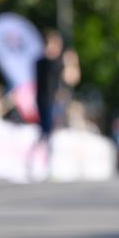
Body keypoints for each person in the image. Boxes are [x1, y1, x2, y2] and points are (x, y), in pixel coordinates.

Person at [32, 29, 80, 174]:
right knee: (46, 133)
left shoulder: (59, 62)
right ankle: (42, 164)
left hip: (57, 103)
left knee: (53, 133)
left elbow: (72, 79)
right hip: (45, 102)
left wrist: (72, 63)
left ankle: (50, 164)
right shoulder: (43, 62)